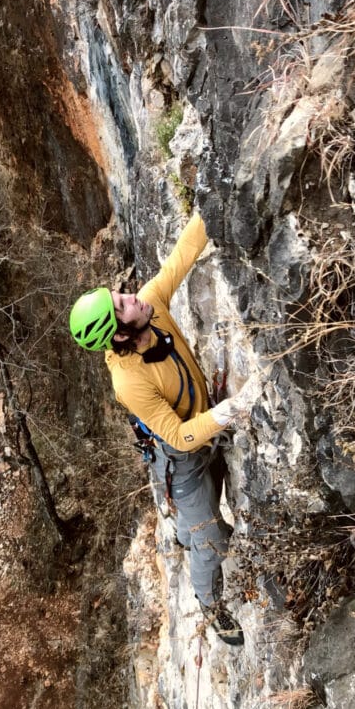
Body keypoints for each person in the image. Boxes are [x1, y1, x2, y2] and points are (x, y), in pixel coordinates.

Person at [69, 211, 260, 646]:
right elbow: (177, 436)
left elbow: (182, 254)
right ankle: (210, 605)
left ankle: (181, 528)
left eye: (118, 294)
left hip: (205, 427)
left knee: (202, 525)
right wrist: (234, 409)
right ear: (119, 336)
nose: (129, 295)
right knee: (208, 539)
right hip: (183, 459)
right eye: (120, 305)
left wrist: (212, 200)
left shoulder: (152, 308)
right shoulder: (129, 381)